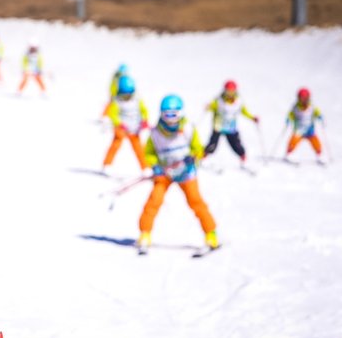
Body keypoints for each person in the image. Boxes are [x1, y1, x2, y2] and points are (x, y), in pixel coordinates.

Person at [137, 95, 218, 253]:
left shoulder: (188, 129)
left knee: (196, 201)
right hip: (165, 174)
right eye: (166, 115)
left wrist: (193, 157)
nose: (170, 119)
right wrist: (155, 166)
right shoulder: (155, 133)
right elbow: (148, 153)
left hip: (186, 173)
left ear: (181, 113)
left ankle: (211, 234)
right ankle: (144, 234)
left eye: (174, 114)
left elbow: (197, 149)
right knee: (154, 201)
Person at [203, 80, 259, 165]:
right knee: (212, 144)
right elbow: (211, 107)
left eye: (232, 92)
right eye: (228, 92)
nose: (230, 94)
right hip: (218, 127)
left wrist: (252, 117)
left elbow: (244, 111)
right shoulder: (219, 100)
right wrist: (208, 107)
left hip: (231, 128)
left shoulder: (238, 101)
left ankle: (244, 159)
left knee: (236, 144)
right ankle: (204, 158)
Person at [102, 75, 149, 174]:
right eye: (125, 94)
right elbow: (113, 114)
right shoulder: (117, 101)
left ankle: (146, 167)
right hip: (122, 128)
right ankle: (107, 165)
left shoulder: (137, 99)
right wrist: (118, 123)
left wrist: (144, 120)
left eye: (130, 94)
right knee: (115, 146)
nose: (128, 96)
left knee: (139, 148)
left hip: (134, 128)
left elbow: (144, 110)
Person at [285, 87, 325, 163]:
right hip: (299, 128)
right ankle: (289, 154)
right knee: (293, 140)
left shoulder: (312, 107)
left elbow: (317, 112)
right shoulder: (295, 107)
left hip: (309, 128)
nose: (304, 100)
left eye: (305, 98)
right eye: (302, 98)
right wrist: (289, 119)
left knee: (315, 141)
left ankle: (319, 155)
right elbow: (291, 114)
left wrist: (319, 116)